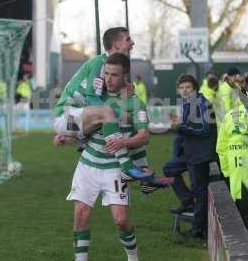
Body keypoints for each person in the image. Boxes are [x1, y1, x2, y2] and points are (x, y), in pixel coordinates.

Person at [60, 53, 171, 261]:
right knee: (81, 214)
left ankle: (133, 257)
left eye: (114, 75)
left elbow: (144, 137)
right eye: (107, 73)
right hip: (88, 165)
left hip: (115, 169)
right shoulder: (95, 96)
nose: (109, 79)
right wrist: (68, 137)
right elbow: (85, 127)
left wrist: (123, 143)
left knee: (121, 220)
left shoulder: (135, 103)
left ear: (125, 76)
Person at [54, 27, 153, 182]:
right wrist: (121, 113)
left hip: (82, 119)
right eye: (128, 39)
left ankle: (144, 174)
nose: (132, 42)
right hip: (67, 116)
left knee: (131, 126)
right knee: (110, 114)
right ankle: (127, 167)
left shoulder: (110, 66)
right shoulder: (99, 63)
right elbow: (92, 99)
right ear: (115, 45)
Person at [163, 74, 217, 238]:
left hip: (199, 154)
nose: (184, 90)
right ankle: (187, 200)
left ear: (195, 88)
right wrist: (178, 125)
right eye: (182, 88)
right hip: (188, 153)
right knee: (169, 169)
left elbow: (205, 131)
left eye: (188, 87)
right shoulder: (187, 103)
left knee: (199, 191)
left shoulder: (203, 104)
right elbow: (186, 128)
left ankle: (197, 230)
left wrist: (181, 127)